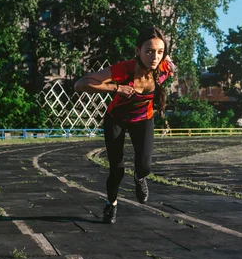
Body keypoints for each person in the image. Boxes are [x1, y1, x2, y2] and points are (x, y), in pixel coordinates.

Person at [74, 27, 174, 224]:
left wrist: (166, 57)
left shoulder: (164, 67)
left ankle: (139, 178)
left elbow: (170, 64)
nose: (155, 57)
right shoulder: (124, 69)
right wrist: (116, 87)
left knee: (145, 166)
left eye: (160, 52)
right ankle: (111, 204)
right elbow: (80, 84)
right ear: (137, 51)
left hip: (143, 119)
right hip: (116, 120)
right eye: (149, 51)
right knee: (117, 170)